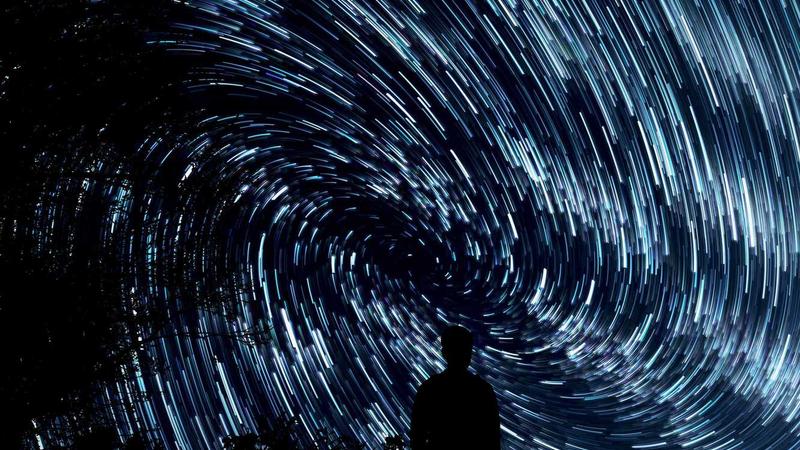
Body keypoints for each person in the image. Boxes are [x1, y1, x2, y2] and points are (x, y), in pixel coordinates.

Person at [410, 325, 501, 450]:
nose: (465, 354)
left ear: (444, 353)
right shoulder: (482, 389)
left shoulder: (429, 388)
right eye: (462, 349)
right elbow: (493, 438)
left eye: (465, 350)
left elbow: (417, 436)